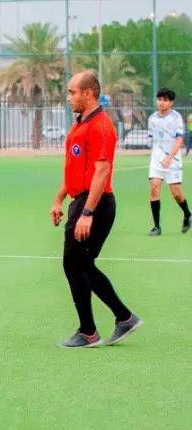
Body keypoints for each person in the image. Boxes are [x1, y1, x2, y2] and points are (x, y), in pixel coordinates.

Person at [50, 71, 142, 348]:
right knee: (81, 264)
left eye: (72, 92)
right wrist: (58, 200)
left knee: (73, 264)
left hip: (96, 203)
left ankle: (89, 331)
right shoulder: (79, 124)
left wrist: (87, 214)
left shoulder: (101, 126)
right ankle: (123, 318)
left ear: (88, 93)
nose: (68, 98)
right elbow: (73, 168)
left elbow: (102, 173)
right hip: (81, 200)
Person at [147, 88, 189, 235]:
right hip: (156, 160)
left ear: (171, 102)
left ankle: (187, 214)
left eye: (165, 100)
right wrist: (158, 156)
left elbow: (179, 140)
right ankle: (157, 227)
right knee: (154, 188)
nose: (161, 103)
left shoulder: (176, 117)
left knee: (176, 193)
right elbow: (153, 139)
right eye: (159, 99)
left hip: (173, 160)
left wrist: (169, 157)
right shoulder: (152, 119)